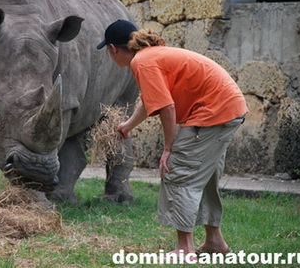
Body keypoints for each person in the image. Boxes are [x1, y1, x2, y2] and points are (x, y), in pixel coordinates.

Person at [96, 20, 248, 256]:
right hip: (229, 108)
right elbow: (151, 100)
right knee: (204, 176)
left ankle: (184, 248)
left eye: (108, 51)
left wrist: (169, 149)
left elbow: (166, 107)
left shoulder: (141, 63)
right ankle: (214, 242)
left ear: (114, 49)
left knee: (177, 170)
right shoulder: (151, 56)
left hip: (212, 112)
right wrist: (128, 125)